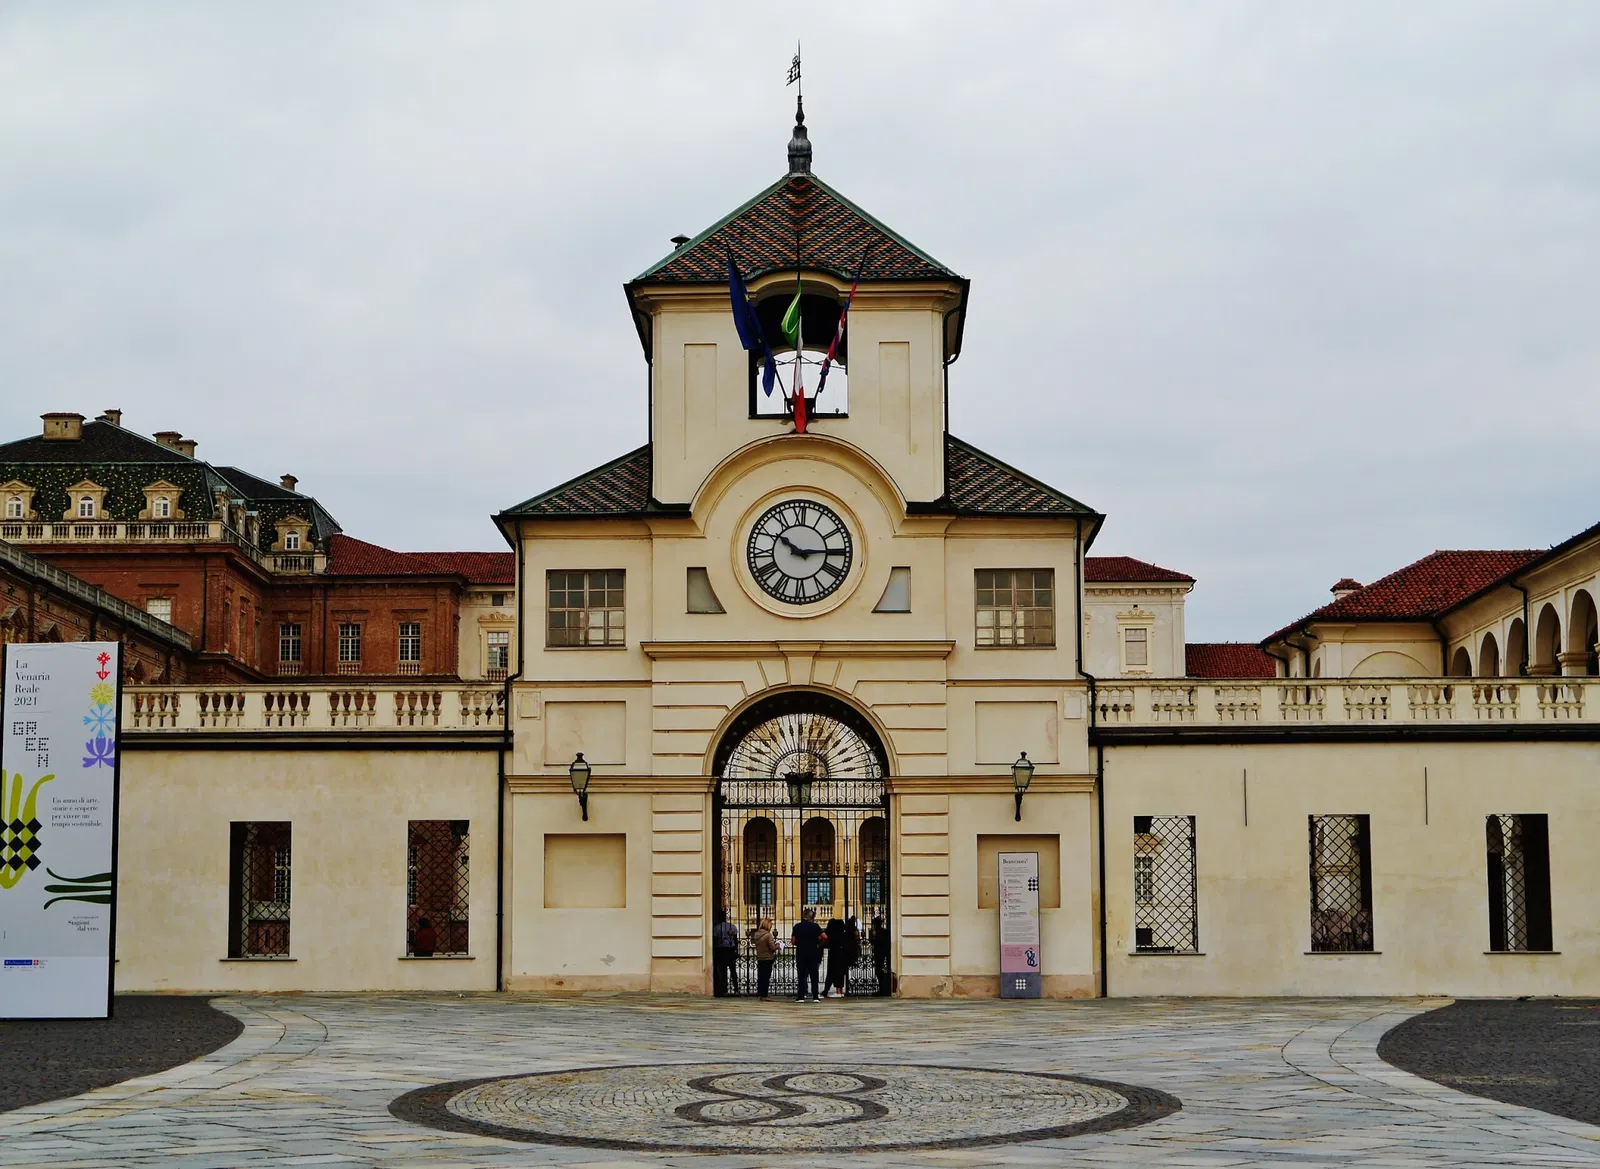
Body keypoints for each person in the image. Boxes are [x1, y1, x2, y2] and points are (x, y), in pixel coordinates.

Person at [791, 908, 823, 1001]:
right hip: (813, 953)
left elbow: (793, 941)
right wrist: (818, 942)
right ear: (811, 916)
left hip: (801, 953)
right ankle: (815, 996)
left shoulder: (797, 926)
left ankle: (801, 996)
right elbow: (825, 937)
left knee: (801, 976)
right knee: (814, 975)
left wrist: (799, 942)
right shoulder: (815, 926)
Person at [713, 911, 740, 996]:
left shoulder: (717, 928)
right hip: (731, 950)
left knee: (723, 971)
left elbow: (715, 940)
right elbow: (735, 940)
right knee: (733, 971)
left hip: (721, 950)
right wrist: (736, 951)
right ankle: (736, 988)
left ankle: (724, 989)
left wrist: (715, 951)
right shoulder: (732, 927)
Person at [750, 917, 777, 1001]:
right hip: (768, 958)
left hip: (760, 957)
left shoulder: (756, 934)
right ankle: (764, 995)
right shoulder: (768, 935)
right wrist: (777, 946)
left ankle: (760, 993)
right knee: (766, 977)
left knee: (761, 977)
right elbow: (772, 948)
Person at [824, 915, 849, 997]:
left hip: (833, 955)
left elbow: (825, 942)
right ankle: (840, 991)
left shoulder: (830, 934)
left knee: (831, 973)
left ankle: (836, 991)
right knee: (841, 973)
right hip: (843, 955)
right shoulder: (844, 934)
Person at [870, 915, 891, 995]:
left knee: (879, 971)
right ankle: (882, 988)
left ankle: (883, 989)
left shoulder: (881, 932)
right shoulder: (880, 932)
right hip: (879, 954)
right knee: (878, 971)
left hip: (881, 954)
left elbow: (879, 943)